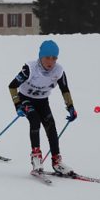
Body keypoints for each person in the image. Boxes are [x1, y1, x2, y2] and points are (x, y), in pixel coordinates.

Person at [8, 40, 76, 175]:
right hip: (26, 99)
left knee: (51, 126)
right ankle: (36, 157)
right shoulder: (30, 69)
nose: (51, 62)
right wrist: (17, 105)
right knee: (35, 121)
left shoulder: (58, 71)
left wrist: (71, 107)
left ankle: (56, 161)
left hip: (43, 101)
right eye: (47, 58)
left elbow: (65, 90)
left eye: (54, 58)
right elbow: (12, 86)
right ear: (40, 56)